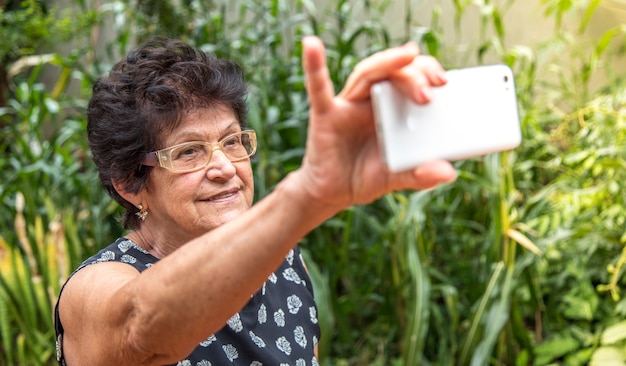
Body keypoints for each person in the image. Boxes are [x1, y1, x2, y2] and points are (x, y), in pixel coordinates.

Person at [53, 35, 456, 365]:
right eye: (189, 151)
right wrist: (308, 194)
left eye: (232, 141)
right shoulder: (95, 286)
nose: (225, 167)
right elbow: (138, 326)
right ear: (129, 183)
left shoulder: (282, 259)